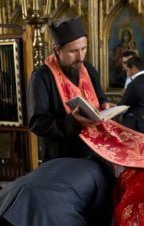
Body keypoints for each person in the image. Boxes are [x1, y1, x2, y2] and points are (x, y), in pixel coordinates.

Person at [27, 16, 110, 161]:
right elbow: (37, 124)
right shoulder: (41, 77)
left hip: (95, 151)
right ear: (57, 50)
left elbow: (100, 98)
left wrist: (105, 105)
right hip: (62, 157)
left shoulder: (88, 69)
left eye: (83, 49)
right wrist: (73, 121)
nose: (80, 57)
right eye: (73, 51)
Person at [117, 56, 144, 135]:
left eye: (127, 70)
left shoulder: (133, 84)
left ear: (134, 68)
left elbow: (123, 107)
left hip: (135, 127)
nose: (127, 74)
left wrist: (113, 107)